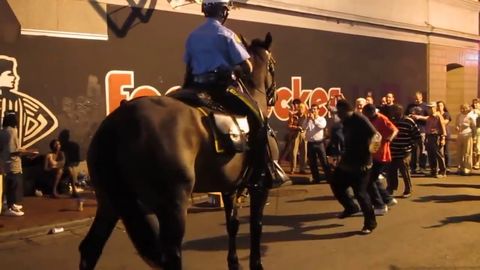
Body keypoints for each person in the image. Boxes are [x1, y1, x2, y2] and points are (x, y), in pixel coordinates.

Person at [183, 0, 288, 187]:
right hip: (221, 89)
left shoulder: (192, 35)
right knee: (258, 118)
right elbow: (247, 66)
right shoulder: (226, 34)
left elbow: (189, 66)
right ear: (224, 12)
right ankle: (264, 170)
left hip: (194, 87)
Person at [329, 99, 377, 234]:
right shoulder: (344, 121)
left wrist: (371, 152)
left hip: (362, 164)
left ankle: (370, 224)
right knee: (336, 184)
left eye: (339, 112)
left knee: (361, 194)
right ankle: (351, 207)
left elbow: (376, 135)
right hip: (347, 162)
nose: (338, 115)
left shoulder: (359, 119)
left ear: (345, 111)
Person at [362, 104, 398, 215]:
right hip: (372, 154)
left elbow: (395, 130)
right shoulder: (368, 120)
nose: (368, 117)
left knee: (369, 181)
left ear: (373, 113)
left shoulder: (382, 118)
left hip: (382, 155)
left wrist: (389, 139)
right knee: (373, 179)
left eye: (369, 115)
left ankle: (380, 205)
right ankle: (388, 199)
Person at [0, 111, 37, 216]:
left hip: (4, 162)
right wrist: (29, 152)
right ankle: (10, 208)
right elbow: (14, 150)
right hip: (12, 163)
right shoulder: (12, 132)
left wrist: (26, 151)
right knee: (13, 184)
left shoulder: (2, 131)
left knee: (10, 185)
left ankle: (10, 204)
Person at [387, 104, 421, 197]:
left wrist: (411, 146)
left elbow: (417, 136)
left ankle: (408, 189)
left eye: (395, 111)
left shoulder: (409, 122)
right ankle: (391, 188)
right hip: (392, 151)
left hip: (404, 151)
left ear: (400, 112)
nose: (393, 113)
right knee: (391, 171)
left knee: (404, 171)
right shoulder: (391, 121)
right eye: (392, 111)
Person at [302, 103, 330, 183]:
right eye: (312, 109)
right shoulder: (308, 119)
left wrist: (314, 120)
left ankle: (329, 178)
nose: (313, 111)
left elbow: (321, 126)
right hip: (310, 143)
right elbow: (303, 127)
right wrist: (307, 120)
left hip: (319, 143)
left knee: (324, 161)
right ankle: (316, 179)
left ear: (318, 110)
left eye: (315, 109)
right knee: (312, 163)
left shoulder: (321, 119)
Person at [406, 91, 428, 174]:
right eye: (415, 98)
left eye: (418, 98)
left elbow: (429, 117)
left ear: (421, 97)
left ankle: (422, 167)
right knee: (413, 150)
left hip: (422, 130)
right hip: (412, 131)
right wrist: (410, 116)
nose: (416, 100)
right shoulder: (410, 106)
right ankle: (413, 167)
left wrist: (419, 117)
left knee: (423, 149)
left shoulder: (425, 106)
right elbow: (405, 115)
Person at [424, 102, 447, 178]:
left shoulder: (438, 116)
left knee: (439, 154)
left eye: (430, 108)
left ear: (434, 108)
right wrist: (426, 139)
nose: (429, 109)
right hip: (429, 137)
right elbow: (427, 129)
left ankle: (442, 171)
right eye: (428, 108)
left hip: (437, 136)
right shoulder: (429, 118)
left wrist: (443, 138)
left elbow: (443, 127)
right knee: (431, 154)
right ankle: (433, 171)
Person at [59, 129, 81, 197]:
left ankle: (74, 190)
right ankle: (73, 190)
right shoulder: (60, 146)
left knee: (71, 169)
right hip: (61, 165)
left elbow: (76, 162)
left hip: (68, 166)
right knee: (70, 169)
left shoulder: (73, 146)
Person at [455, 104, 475, 175]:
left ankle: (467, 168)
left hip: (468, 134)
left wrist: (474, 137)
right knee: (459, 153)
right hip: (460, 135)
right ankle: (460, 168)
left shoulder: (470, 116)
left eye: (465, 108)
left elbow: (473, 127)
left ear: (468, 109)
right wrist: (457, 127)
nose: (463, 110)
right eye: (462, 108)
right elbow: (456, 124)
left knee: (467, 152)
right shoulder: (458, 115)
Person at [288, 102, 308, 174]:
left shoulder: (306, 116)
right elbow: (289, 125)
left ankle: (302, 169)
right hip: (295, 133)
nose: (300, 110)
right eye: (299, 108)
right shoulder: (293, 116)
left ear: (304, 109)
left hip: (304, 134)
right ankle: (292, 169)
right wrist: (296, 127)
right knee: (293, 152)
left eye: (302, 108)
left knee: (304, 152)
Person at [436, 101, 451, 170]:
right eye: (438, 106)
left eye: (441, 105)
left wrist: (439, 117)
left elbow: (445, 122)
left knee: (445, 151)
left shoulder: (446, 114)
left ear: (443, 106)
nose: (439, 107)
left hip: (446, 134)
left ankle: (447, 166)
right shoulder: (435, 114)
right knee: (439, 151)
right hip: (437, 134)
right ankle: (440, 166)